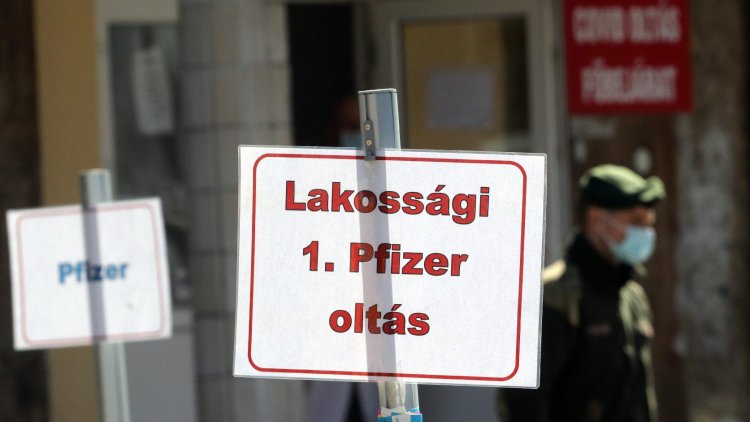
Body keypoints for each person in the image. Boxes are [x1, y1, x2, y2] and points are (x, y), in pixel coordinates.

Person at [498, 164, 665, 422]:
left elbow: (639, 395)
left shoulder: (631, 297)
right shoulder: (553, 296)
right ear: (597, 219)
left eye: (648, 223)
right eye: (635, 221)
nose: (645, 233)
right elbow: (523, 403)